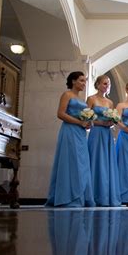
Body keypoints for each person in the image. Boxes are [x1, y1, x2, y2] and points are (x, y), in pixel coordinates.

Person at [46, 71, 95, 207]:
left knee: (82, 164)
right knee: (70, 162)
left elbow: (84, 118)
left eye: (85, 81)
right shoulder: (67, 95)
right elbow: (60, 113)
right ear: (73, 81)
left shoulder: (82, 100)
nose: (84, 83)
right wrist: (79, 122)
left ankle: (80, 195)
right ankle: (68, 197)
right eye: (81, 80)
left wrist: (88, 123)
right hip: (69, 131)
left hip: (81, 134)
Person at [87, 75, 121, 207]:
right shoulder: (91, 99)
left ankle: (106, 196)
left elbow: (113, 121)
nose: (107, 86)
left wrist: (111, 123)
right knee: (95, 161)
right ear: (98, 84)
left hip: (107, 134)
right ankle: (93, 195)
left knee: (107, 163)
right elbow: (87, 117)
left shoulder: (110, 103)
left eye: (109, 84)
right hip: (96, 133)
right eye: (105, 83)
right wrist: (100, 122)